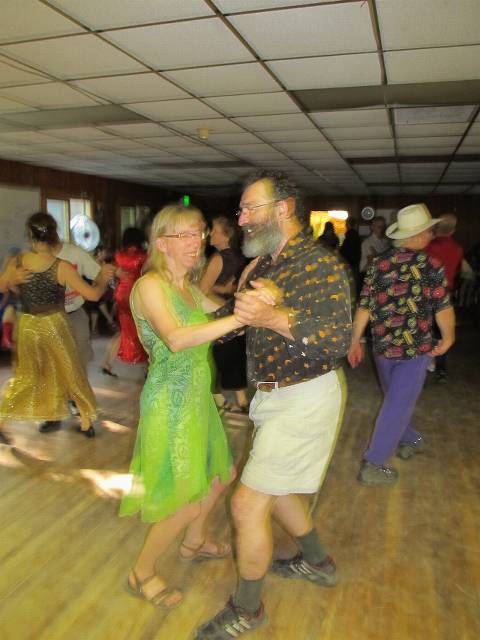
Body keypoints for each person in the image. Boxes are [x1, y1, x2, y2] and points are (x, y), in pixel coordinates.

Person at [196, 171, 352, 639]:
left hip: (305, 396)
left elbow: (336, 339)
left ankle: (249, 609)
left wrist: (275, 315)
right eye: (242, 211)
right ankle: (319, 562)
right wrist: (174, 294)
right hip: (271, 395)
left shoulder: (321, 265)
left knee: (247, 504)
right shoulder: (266, 263)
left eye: (248, 208)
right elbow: (235, 319)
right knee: (279, 490)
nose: (241, 218)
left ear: (282, 209)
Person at [119, 204, 268, 610]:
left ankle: (194, 542)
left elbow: (216, 320)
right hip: (170, 402)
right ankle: (142, 572)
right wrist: (240, 319)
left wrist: (247, 295)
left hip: (197, 397)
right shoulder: (151, 286)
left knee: (222, 474)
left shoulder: (187, 286)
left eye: (198, 233)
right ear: (162, 242)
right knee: (187, 497)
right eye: (183, 235)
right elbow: (178, 338)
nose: (195, 243)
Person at [348, 204, 455, 486]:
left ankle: (409, 438)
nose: (431, 234)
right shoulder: (431, 267)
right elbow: (442, 308)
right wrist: (449, 338)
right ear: (419, 236)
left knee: (396, 401)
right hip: (414, 351)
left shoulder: (378, 265)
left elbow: (364, 306)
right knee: (397, 403)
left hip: (382, 348)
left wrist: (355, 340)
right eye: (429, 230)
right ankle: (374, 463)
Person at [0, 212, 113, 444]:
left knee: (27, 376)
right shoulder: (61, 266)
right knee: (70, 372)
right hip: (54, 325)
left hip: (28, 325)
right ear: (53, 236)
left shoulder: (17, 262)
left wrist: (12, 279)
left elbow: (2, 287)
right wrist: (102, 279)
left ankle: (2, 421)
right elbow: (93, 294)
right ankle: (85, 422)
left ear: (30, 234)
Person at [38, 213, 115, 432]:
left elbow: (99, 274)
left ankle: (81, 409)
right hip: (49, 318)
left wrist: (112, 273)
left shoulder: (74, 253)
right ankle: (54, 413)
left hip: (74, 314)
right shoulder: (36, 257)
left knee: (78, 363)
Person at [200, 216, 249, 413]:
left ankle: (221, 401)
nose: (211, 233)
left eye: (215, 230)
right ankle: (241, 400)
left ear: (226, 235)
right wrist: (223, 289)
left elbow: (201, 292)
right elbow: (235, 289)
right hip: (234, 315)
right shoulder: (239, 257)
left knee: (212, 360)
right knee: (233, 358)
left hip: (217, 315)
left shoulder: (218, 258)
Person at [101, 228, 147, 377]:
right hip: (135, 295)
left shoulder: (119, 255)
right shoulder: (142, 256)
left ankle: (106, 363)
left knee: (123, 331)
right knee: (146, 329)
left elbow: (112, 270)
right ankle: (150, 368)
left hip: (121, 295)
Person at [425, 213, 466, 382]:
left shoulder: (428, 246)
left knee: (425, 330)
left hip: (426, 294)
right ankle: (441, 370)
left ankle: (425, 365)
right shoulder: (458, 248)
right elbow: (458, 271)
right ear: (453, 230)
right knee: (444, 332)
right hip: (445, 294)